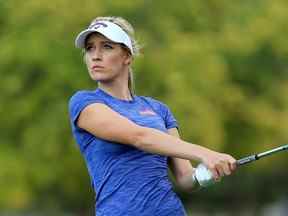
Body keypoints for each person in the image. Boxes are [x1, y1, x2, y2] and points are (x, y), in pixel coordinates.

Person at [68, 16, 237, 216]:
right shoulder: (84, 103)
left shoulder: (158, 109)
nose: (96, 55)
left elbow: (185, 177)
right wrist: (207, 154)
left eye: (106, 47)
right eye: (89, 48)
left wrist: (207, 173)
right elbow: (139, 137)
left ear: (127, 56)